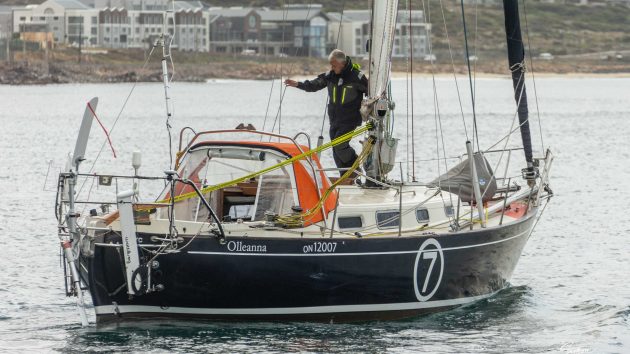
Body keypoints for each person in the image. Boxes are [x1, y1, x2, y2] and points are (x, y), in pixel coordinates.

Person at [285, 49, 368, 176]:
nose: (332, 67)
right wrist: (297, 84)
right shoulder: (330, 76)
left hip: (349, 120)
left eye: (334, 65)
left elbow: (371, 92)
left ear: (342, 63)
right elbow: (313, 85)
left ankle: (355, 168)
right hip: (334, 120)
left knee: (340, 146)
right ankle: (346, 177)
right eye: (331, 65)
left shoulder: (357, 77)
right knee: (336, 149)